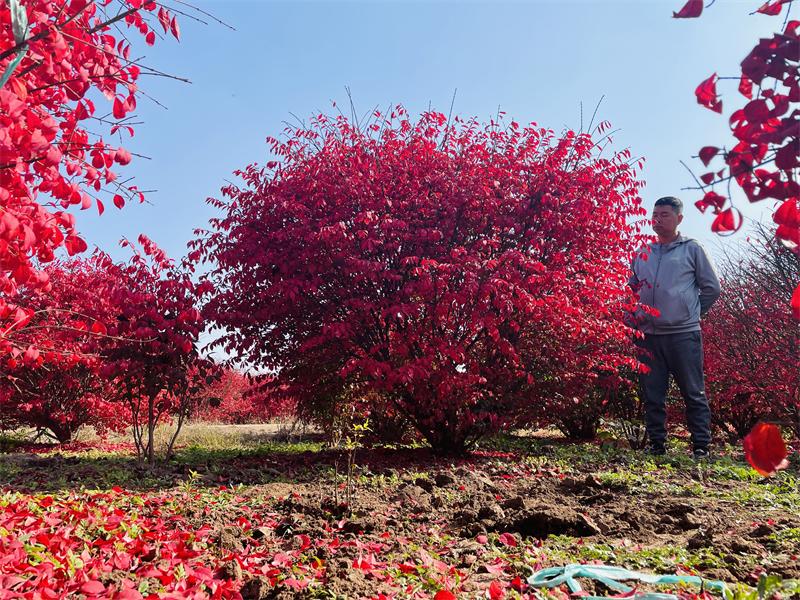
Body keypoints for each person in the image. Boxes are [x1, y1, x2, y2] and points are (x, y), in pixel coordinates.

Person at [628, 196, 721, 459]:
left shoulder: (692, 249)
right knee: (652, 393)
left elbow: (712, 288)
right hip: (647, 335)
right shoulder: (642, 252)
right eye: (654, 214)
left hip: (683, 334)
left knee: (693, 391)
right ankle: (657, 445)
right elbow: (630, 288)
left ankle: (701, 446)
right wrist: (632, 316)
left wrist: (690, 313)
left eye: (664, 214)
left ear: (679, 218)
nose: (657, 219)